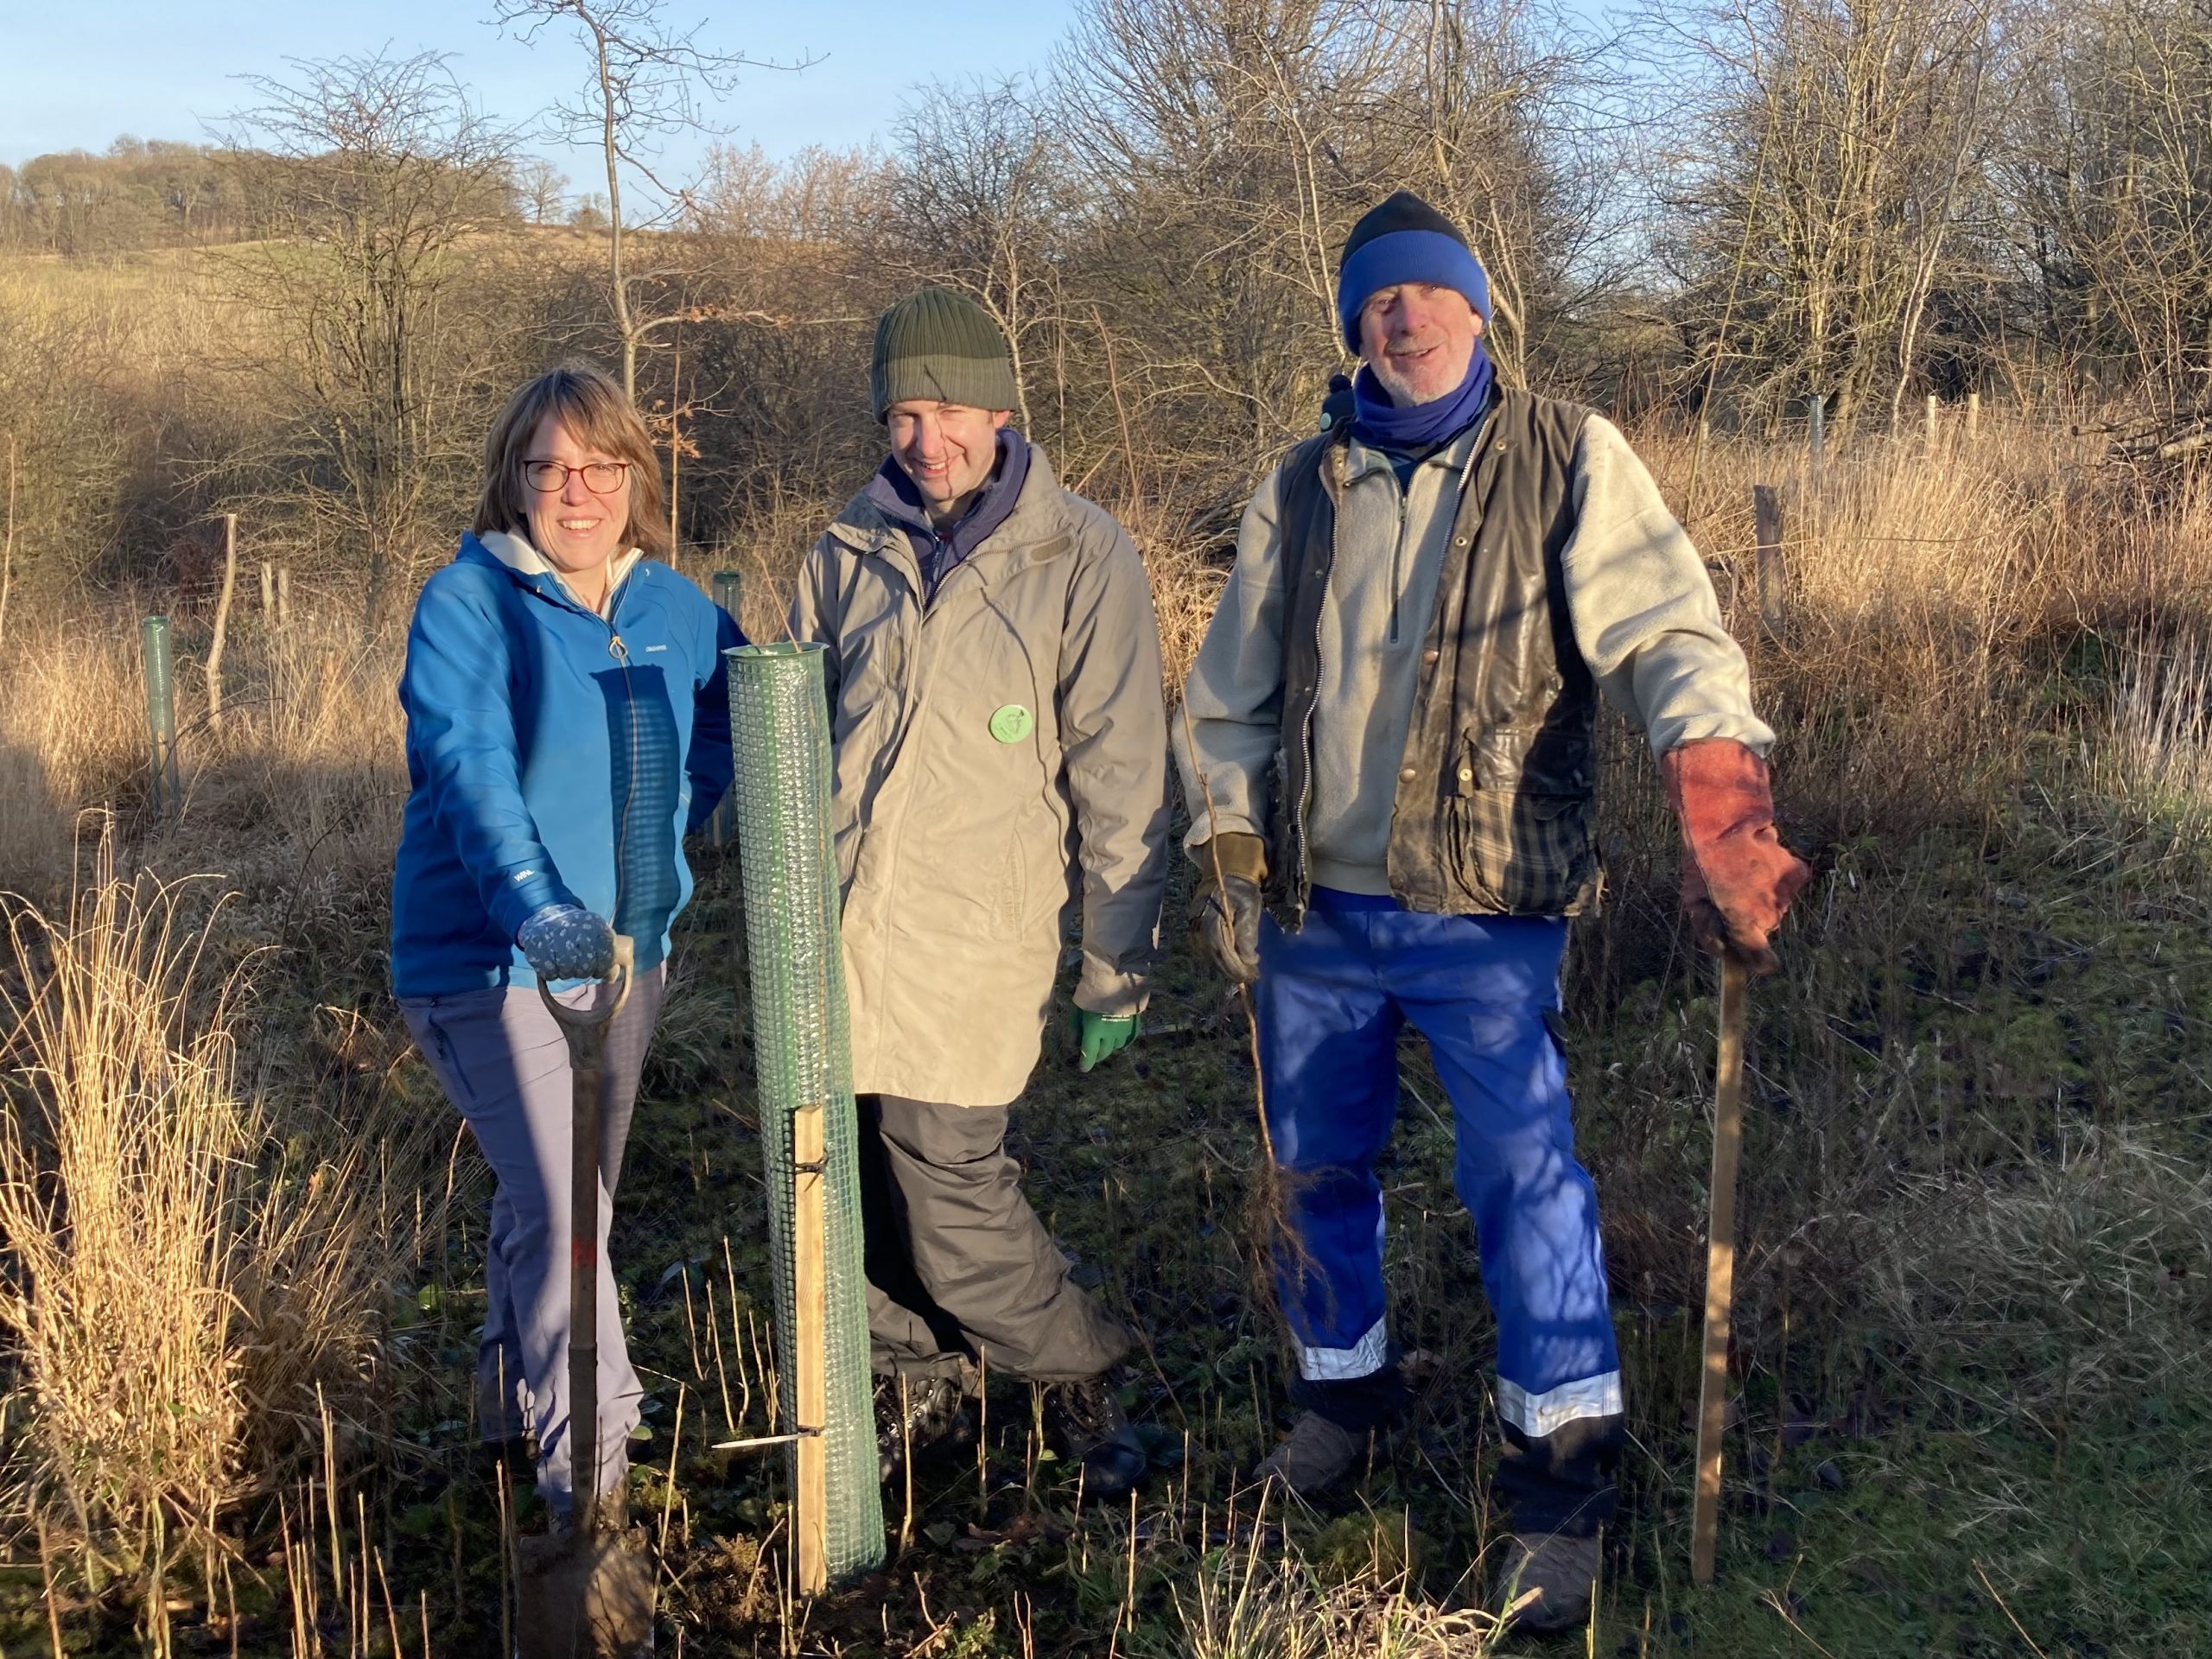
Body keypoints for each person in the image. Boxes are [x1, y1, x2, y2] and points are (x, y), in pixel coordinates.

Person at [1175, 193, 1810, 1632]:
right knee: (1314, 1174)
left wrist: (1718, 784)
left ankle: (1560, 1479)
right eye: (1376, 303)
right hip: (1316, 914)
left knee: (1526, 1182)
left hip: (1483, 907)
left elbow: (1663, 629)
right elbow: (1229, 691)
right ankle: (1343, 1402)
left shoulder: (1567, 456)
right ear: (1354, 328)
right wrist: (1226, 836)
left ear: (1479, 313)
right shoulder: (1303, 483)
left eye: (1427, 296)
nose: (1403, 319)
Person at [790, 286, 1171, 1497]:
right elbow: (789, 736)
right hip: (837, 933)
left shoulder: (1080, 553)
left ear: (1002, 409)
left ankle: (1079, 1375)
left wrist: (1118, 960)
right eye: (902, 413)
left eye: (948, 407)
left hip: (976, 934)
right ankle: (920, 1394)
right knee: (845, 1182)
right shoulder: (844, 549)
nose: (926, 438)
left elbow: (1123, 770)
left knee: (945, 1180)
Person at [391, 363, 742, 1525]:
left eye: (597, 466)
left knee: (559, 1191)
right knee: (569, 1211)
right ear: (513, 483)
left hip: (627, 961)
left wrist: (672, 833)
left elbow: (743, 714)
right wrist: (547, 918)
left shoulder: (675, 609)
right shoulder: (468, 606)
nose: (573, 490)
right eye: (546, 468)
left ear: (636, 476)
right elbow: (471, 777)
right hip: (485, 962)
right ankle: (589, 1492)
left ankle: (506, 1395)